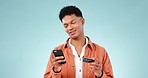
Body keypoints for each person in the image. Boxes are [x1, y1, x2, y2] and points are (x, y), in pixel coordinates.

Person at [44, 5, 114, 78]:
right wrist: (56, 71)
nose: (70, 28)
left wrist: (100, 74)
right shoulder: (56, 52)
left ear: (82, 21)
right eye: (66, 25)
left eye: (73, 22)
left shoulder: (101, 51)